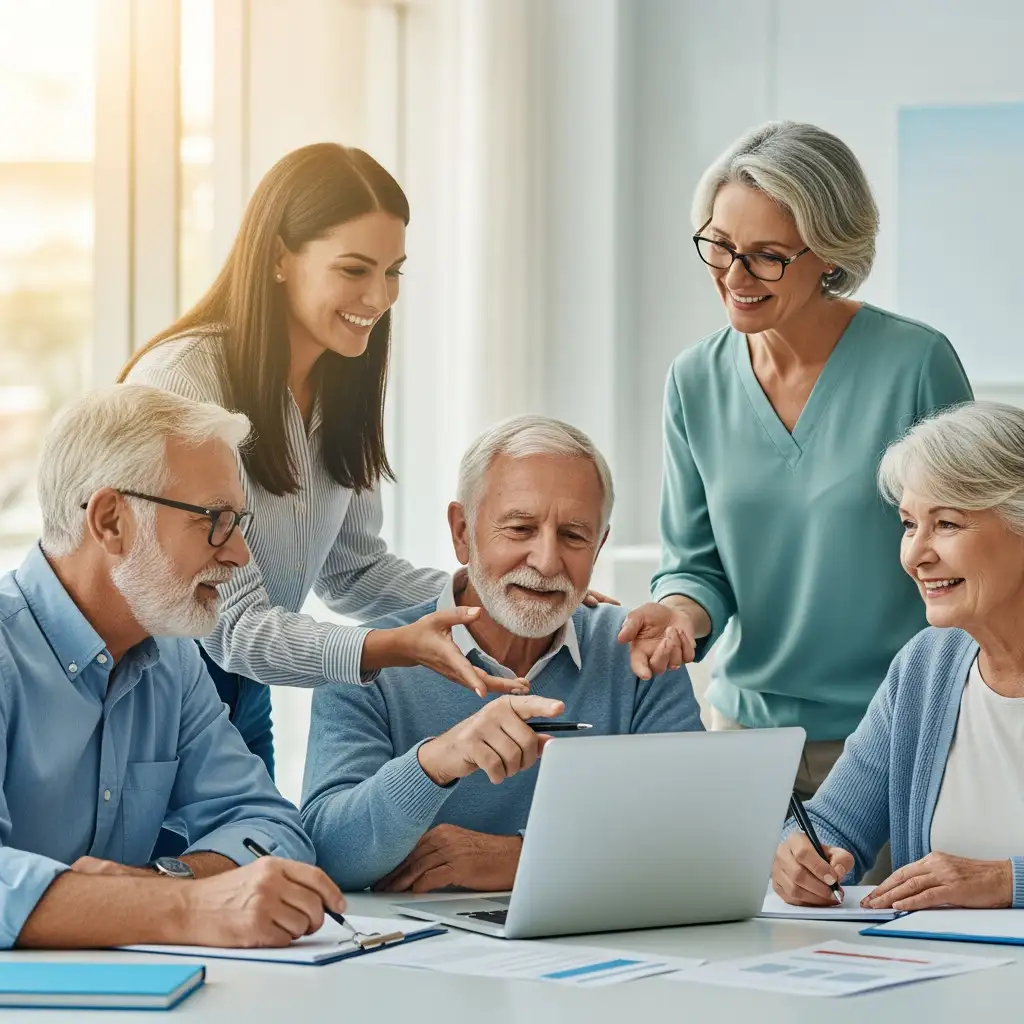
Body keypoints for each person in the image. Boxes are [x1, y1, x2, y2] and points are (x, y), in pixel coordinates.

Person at [122, 143, 606, 779]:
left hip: (240, 689)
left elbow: (351, 570)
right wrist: (392, 647)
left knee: (257, 841)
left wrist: (489, 589)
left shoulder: (339, 385)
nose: (379, 297)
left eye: (393, 271)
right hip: (148, 684)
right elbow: (232, 627)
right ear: (278, 258)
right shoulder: (183, 381)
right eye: (354, 270)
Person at [620, 120, 973, 799]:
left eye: (767, 256)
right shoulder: (694, 380)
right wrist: (679, 613)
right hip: (746, 733)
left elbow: (974, 553)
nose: (734, 276)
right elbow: (695, 564)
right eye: (720, 246)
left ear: (829, 255)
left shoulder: (915, 365)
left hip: (895, 729)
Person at [0, 384, 345, 950]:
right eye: (215, 519)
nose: (239, 554)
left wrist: (161, 883)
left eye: (239, 522)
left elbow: (273, 829)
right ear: (111, 521)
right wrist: (186, 907)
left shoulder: (173, 660)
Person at [301, 416, 703, 893]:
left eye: (574, 536)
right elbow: (328, 854)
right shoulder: (372, 660)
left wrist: (523, 858)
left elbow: (702, 831)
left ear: (598, 547)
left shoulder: (638, 653)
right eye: (520, 528)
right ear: (462, 532)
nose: (547, 562)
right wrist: (440, 759)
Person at [773, 402, 1024, 912]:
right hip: (930, 960)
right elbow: (832, 824)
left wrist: (1007, 881)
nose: (915, 555)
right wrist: (800, 859)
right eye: (910, 524)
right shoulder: (926, 667)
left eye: (947, 524)